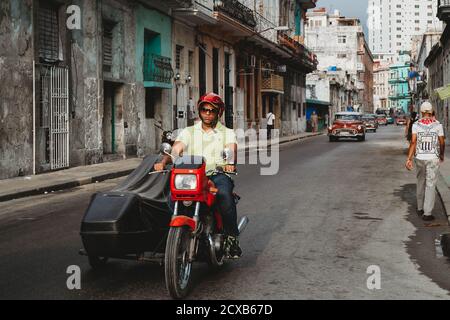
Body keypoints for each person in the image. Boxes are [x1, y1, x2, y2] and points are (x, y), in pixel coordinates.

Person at [154, 92, 242, 258]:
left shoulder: (227, 133)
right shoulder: (189, 131)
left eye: (212, 110)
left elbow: (230, 150)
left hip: (217, 174)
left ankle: (232, 238)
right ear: (200, 111)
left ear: (218, 113)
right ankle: (181, 231)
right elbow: (177, 148)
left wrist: (229, 163)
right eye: (204, 109)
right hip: (192, 175)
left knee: (224, 195)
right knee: (172, 197)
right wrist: (166, 160)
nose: (207, 113)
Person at [405, 102, 445, 221]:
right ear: (431, 111)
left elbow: (413, 142)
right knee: (430, 184)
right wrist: (441, 155)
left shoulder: (416, 124)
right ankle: (427, 213)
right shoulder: (438, 125)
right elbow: (442, 142)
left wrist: (409, 158)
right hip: (433, 157)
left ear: (422, 112)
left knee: (420, 181)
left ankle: (419, 207)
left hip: (420, 158)